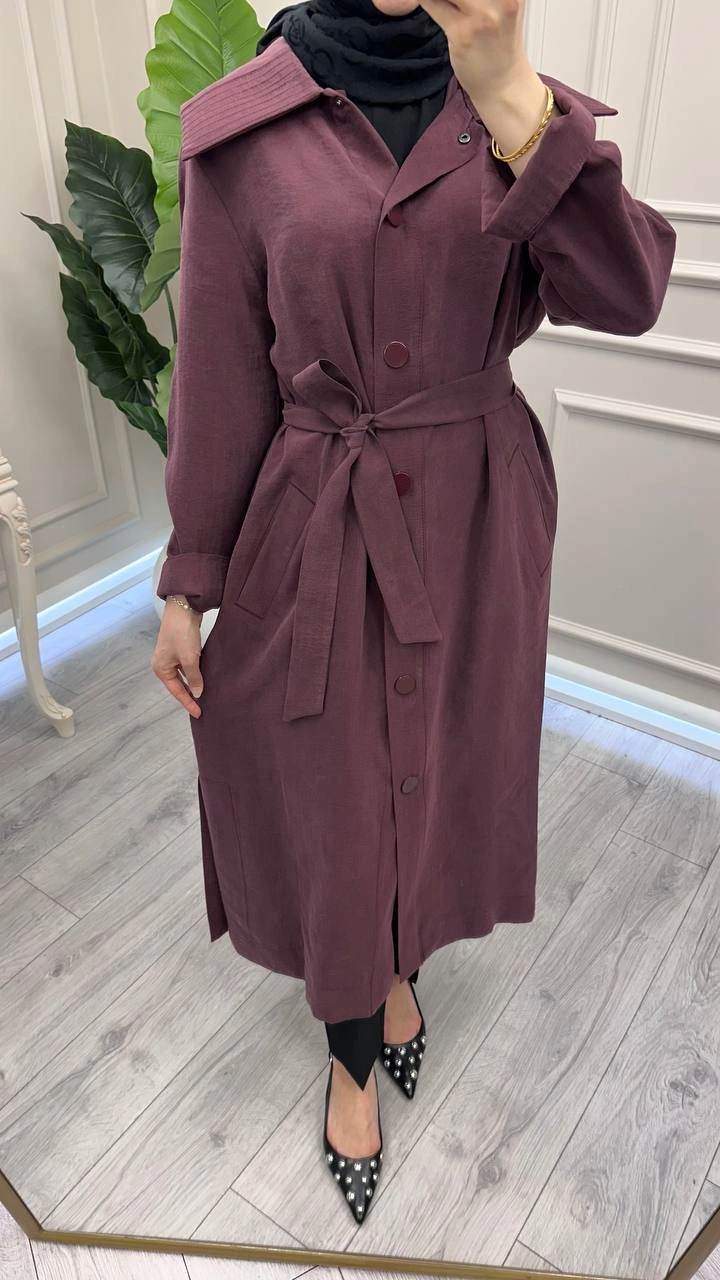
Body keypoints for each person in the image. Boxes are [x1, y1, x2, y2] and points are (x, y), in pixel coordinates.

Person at [151, 0, 676, 1224]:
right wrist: (190, 578)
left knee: (436, 771)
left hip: (477, 515)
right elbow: (220, 371)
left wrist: (514, 100)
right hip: (316, 518)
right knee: (334, 803)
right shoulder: (242, 131)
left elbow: (628, 291)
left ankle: (400, 974)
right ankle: (351, 1057)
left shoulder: (512, 104)